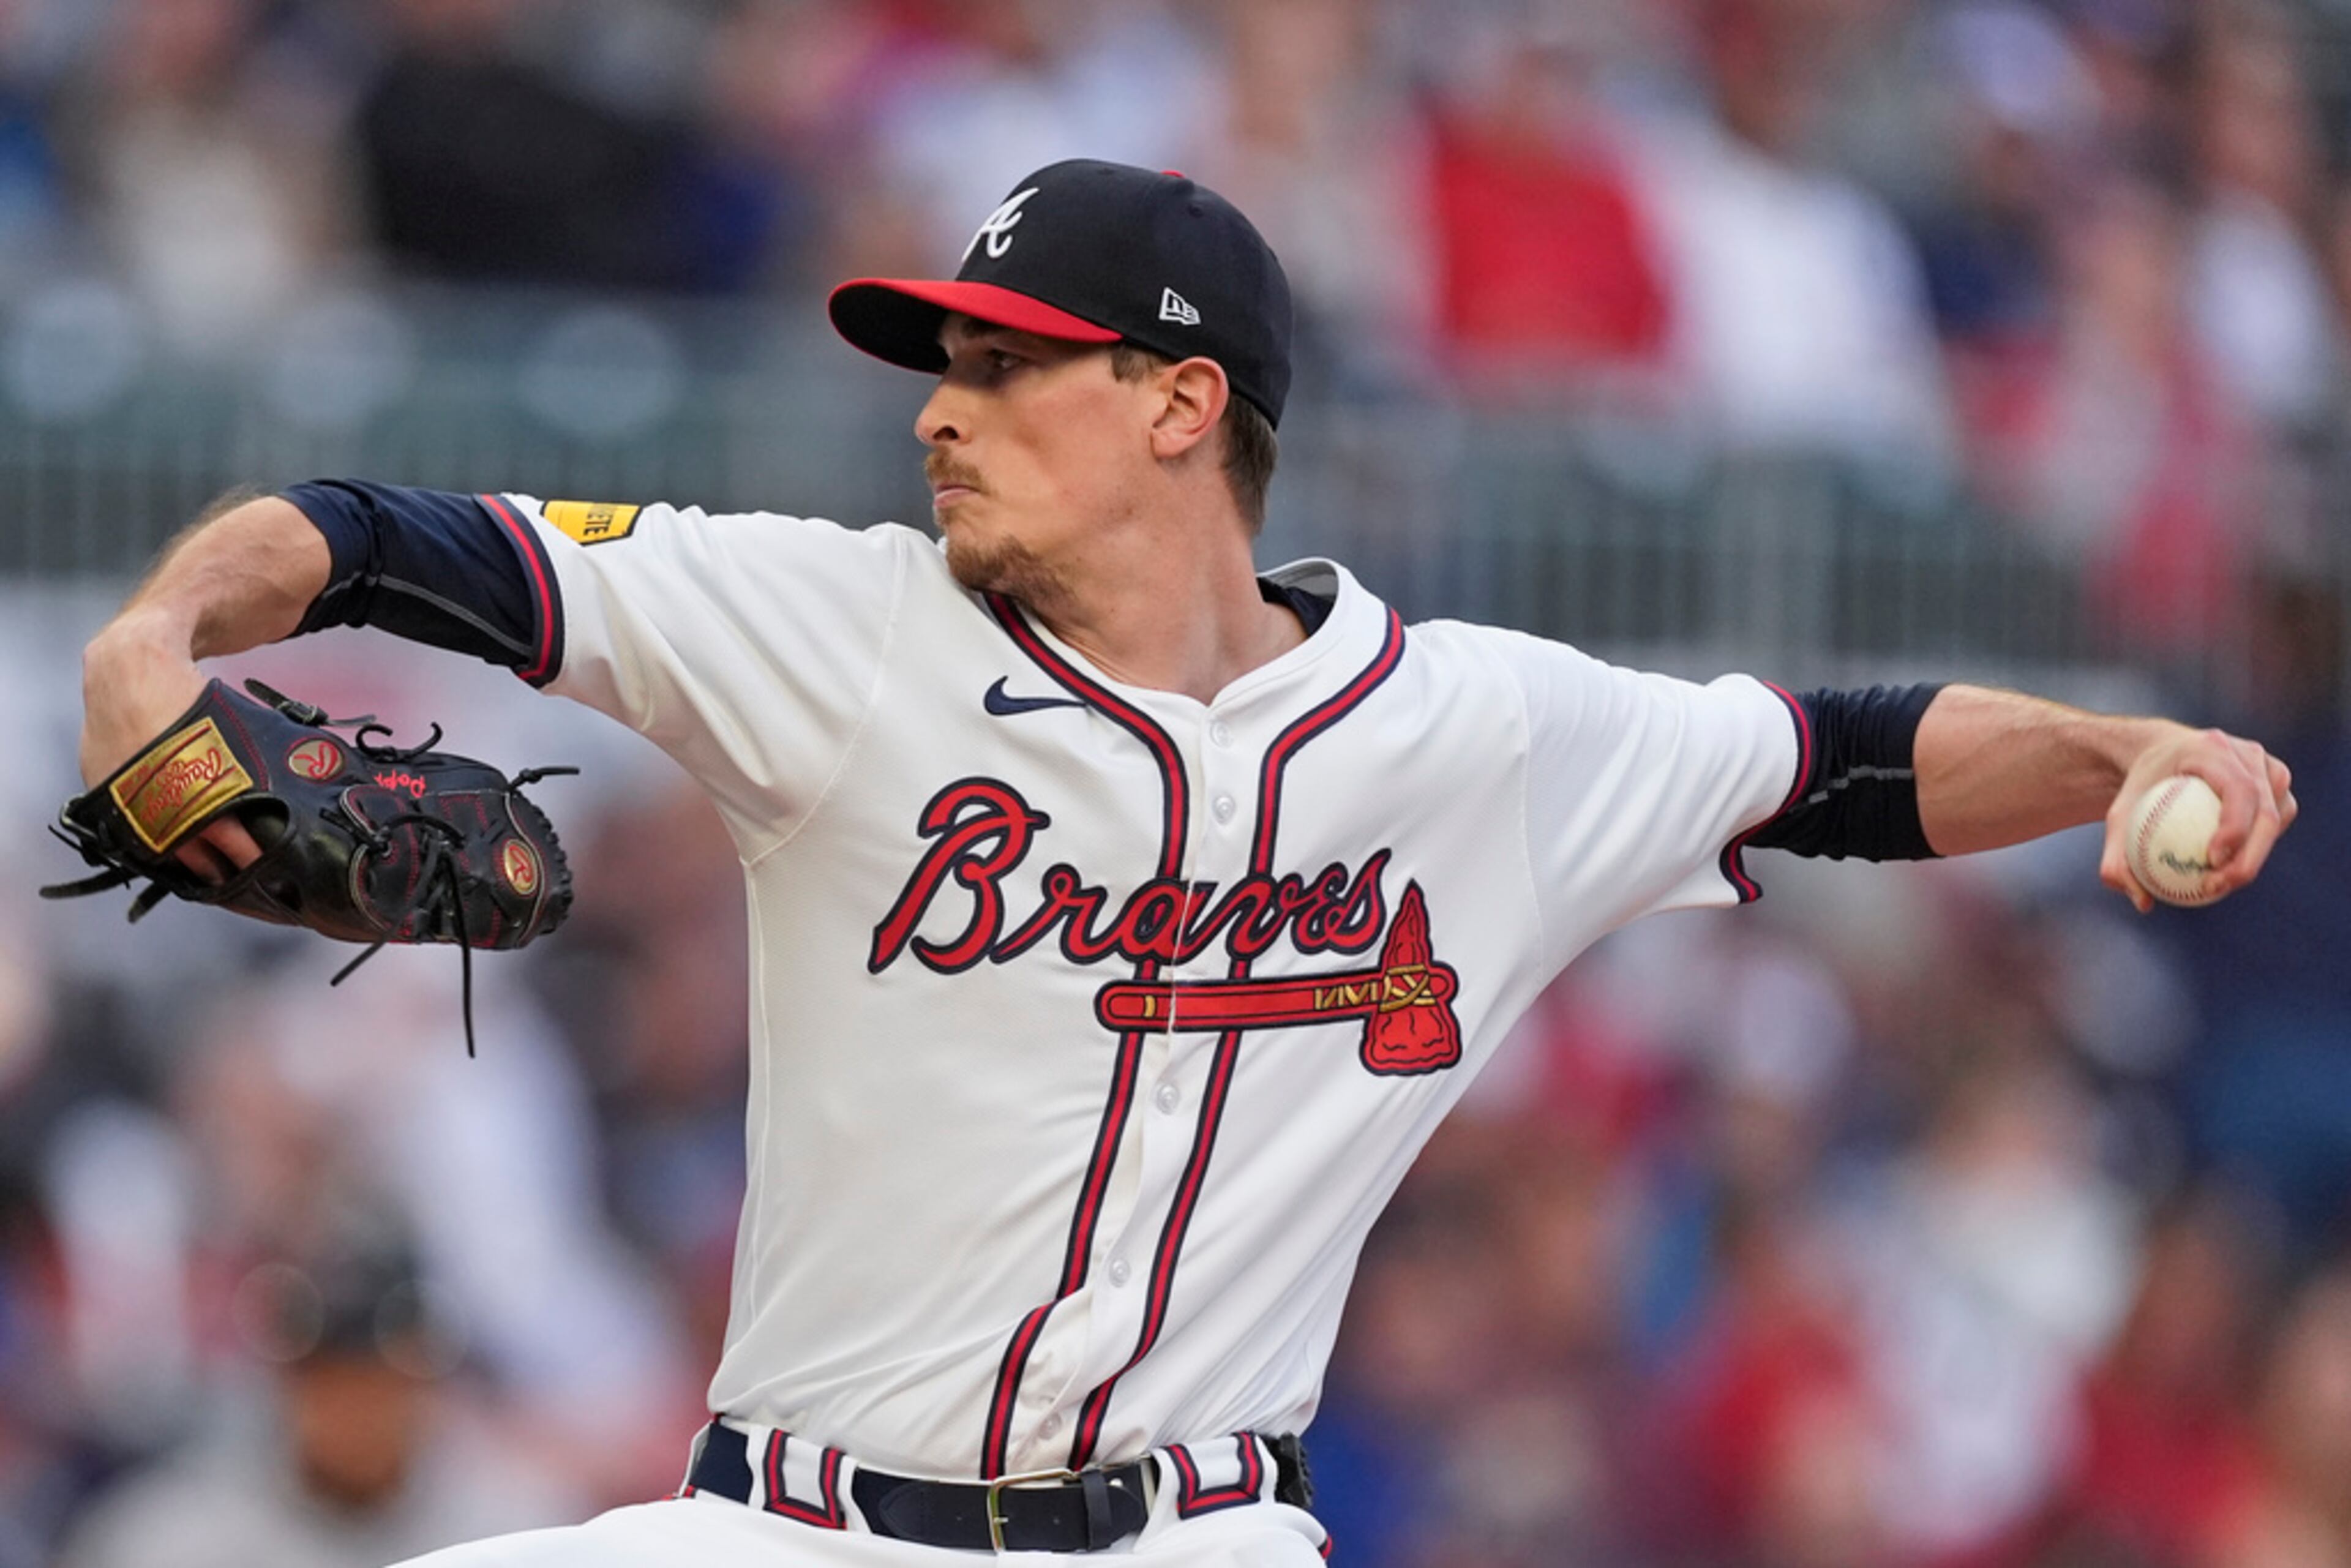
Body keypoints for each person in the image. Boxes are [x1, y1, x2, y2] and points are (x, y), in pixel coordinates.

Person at [70, 160, 2294, 1566]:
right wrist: (158, 636)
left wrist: (2124, 745)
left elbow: (1850, 757)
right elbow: (391, 543)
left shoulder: (1470, 730)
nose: (940, 406)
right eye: (940, 362)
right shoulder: (842, 628)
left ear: (1179, 403)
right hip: (797, 1529)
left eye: (1008, 368)